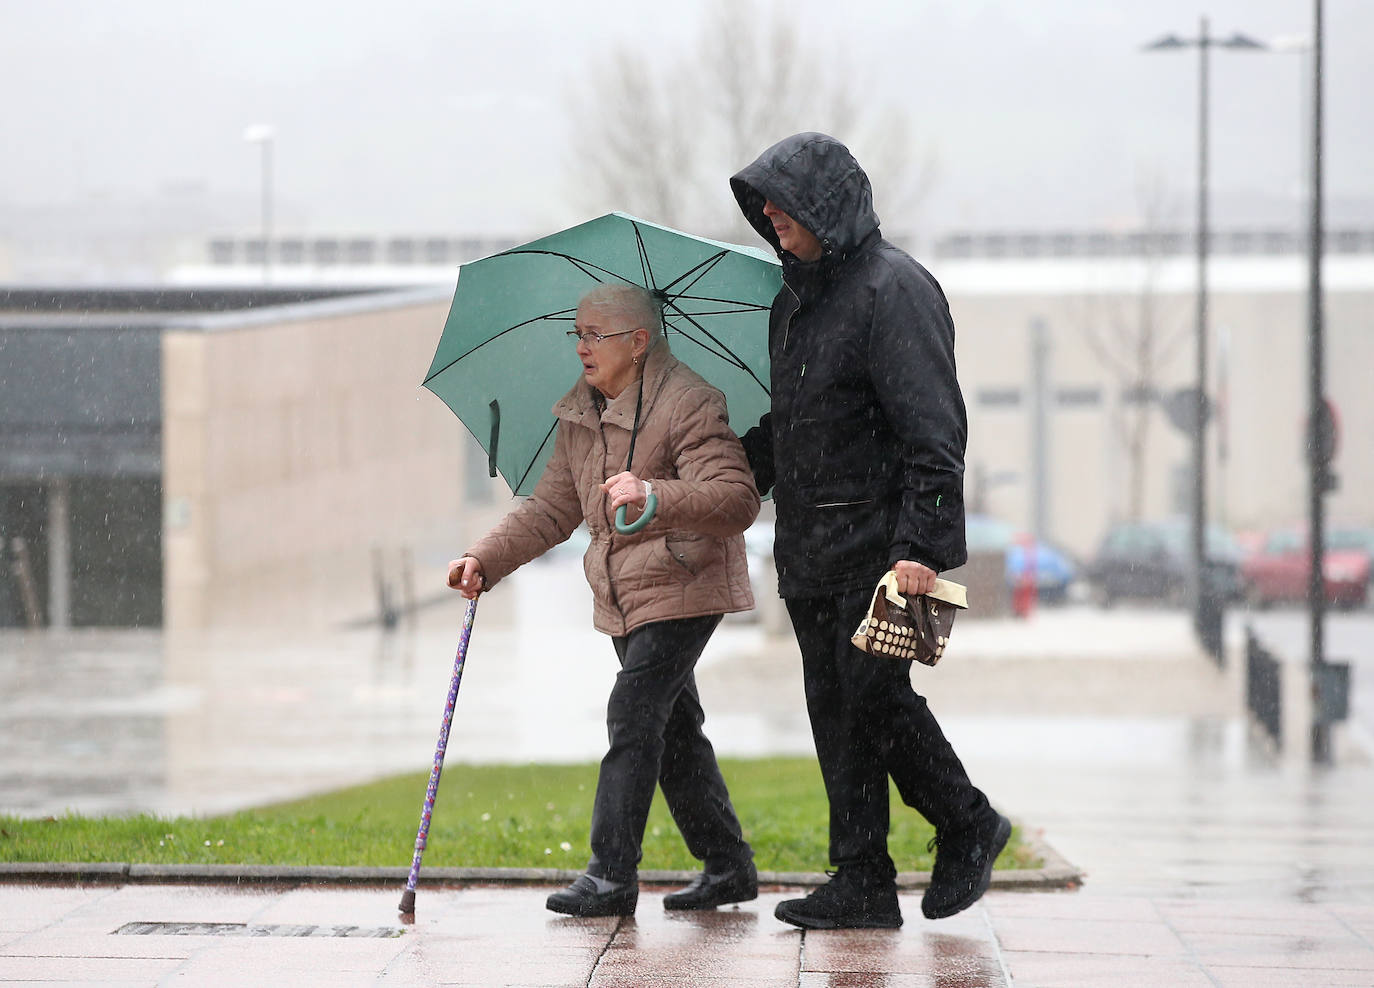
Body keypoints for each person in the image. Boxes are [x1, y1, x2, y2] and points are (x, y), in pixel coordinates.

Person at [729, 133, 1009, 929]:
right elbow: (788, 427)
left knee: (875, 699)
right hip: (811, 555)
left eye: (783, 201)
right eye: (764, 205)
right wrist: (721, 485)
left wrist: (920, 548)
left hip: (883, 554)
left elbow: (933, 430)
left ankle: (967, 822)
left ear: (828, 204)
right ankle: (861, 878)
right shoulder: (794, 304)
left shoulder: (896, 289)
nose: (771, 215)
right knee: (836, 711)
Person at [447, 283, 760, 918]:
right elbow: (553, 508)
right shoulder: (581, 416)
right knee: (673, 731)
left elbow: (737, 497)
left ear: (639, 342)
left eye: (597, 334)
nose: (583, 347)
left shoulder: (690, 402)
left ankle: (611, 873)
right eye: (579, 334)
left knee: (634, 711)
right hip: (623, 590)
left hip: (684, 582)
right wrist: (486, 558)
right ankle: (728, 865)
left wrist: (656, 495)